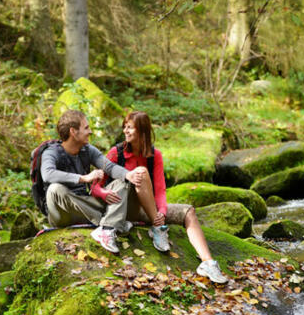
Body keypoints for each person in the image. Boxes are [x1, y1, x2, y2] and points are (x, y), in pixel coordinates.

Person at [92, 111, 228, 284]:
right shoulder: (115, 153)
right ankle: (158, 227)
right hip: (123, 208)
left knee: (189, 212)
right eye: (124, 127)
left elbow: (160, 190)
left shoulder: (155, 155)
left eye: (130, 127)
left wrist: (161, 212)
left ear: (142, 130)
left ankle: (207, 263)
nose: (125, 131)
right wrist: (105, 194)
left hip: (147, 210)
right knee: (141, 172)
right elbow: (95, 186)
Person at [40, 110, 137, 254]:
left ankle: (108, 228)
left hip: (86, 205)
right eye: (86, 128)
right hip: (62, 212)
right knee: (55, 189)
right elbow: (47, 174)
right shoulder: (51, 152)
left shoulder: (87, 150)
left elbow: (109, 167)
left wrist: (128, 175)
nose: (90, 131)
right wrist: (83, 178)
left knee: (122, 183)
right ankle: (115, 223)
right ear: (73, 131)